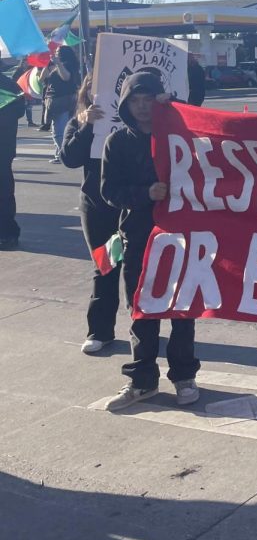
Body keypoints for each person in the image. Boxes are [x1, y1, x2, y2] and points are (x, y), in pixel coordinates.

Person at [100, 70, 201, 411]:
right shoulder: (117, 142)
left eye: (148, 100)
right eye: (135, 101)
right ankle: (142, 380)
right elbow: (108, 191)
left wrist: (174, 107)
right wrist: (145, 194)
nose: (142, 108)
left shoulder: (180, 135)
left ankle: (184, 376)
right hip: (140, 236)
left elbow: (206, 133)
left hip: (180, 237)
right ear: (126, 104)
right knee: (142, 312)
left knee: (182, 309)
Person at [61, 73, 123, 353]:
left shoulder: (136, 125)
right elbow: (70, 159)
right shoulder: (79, 122)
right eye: (93, 91)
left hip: (131, 205)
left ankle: (145, 328)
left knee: (140, 270)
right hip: (97, 207)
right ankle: (100, 331)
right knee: (105, 267)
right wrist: (87, 125)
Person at [0, 64, 25, 251]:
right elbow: (20, 111)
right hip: (5, 147)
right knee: (5, 192)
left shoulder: (7, 85)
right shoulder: (10, 85)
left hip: (4, 146)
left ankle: (8, 233)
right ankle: (8, 233)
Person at [43, 44, 81, 163]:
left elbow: (66, 78)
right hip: (63, 100)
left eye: (59, 52)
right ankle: (59, 154)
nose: (56, 53)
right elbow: (41, 78)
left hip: (62, 100)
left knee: (59, 131)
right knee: (65, 128)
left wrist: (58, 64)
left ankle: (64, 155)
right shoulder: (57, 65)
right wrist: (48, 64)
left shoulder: (67, 65)